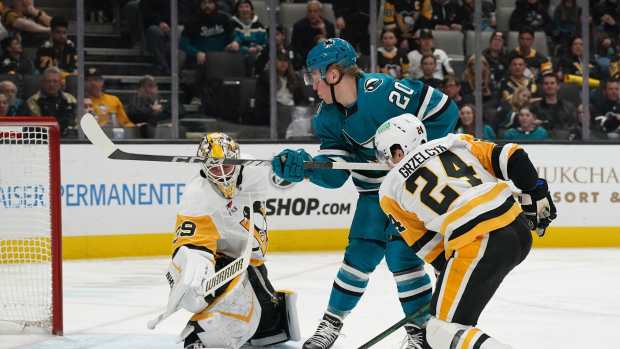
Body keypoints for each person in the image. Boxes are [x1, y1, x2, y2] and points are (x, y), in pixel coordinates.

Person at [271, 38, 459, 349]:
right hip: (373, 195)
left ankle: (420, 333)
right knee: (358, 256)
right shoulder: (327, 118)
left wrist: (415, 158)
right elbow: (336, 177)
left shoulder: (383, 92)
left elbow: (444, 111)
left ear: (333, 75)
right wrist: (306, 168)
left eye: (315, 76)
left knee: (403, 258)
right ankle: (330, 323)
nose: (312, 85)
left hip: (408, 194)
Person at [375, 113, 556, 349]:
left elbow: (431, 248)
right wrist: (535, 189)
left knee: (440, 331)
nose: (386, 162)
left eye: (386, 155)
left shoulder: (389, 191)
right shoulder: (453, 142)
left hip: (478, 242)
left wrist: (445, 274)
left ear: (399, 150)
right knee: (457, 327)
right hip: (517, 227)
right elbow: (513, 156)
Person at [166, 133, 300, 349]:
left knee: (270, 326)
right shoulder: (197, 195)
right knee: (236, 301)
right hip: (224, 261)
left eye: (226, 167)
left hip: (252, 260)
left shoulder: (256, 170)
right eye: (214, 169)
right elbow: (190, 242)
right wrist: (198, 264)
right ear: (204, 168)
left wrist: (296, 164)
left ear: (237, 160)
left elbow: (289, 175)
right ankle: (198, 339)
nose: (221, 174)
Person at [26, 67, 77, 137]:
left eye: (55, 81)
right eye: (48, 81)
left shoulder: (70, 99)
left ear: (60, 83)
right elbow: (40, 126)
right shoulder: (33, 100)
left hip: (68, 139)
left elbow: (75, 122)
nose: (51, 85)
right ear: (42, 83)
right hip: (44, 139)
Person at [530, 74, 577, 139]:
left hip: (563, 142)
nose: (549, 86)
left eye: (552, 83)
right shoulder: (534, 107)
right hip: (540, 142)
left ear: (558, 86)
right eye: (546, 83)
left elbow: (573, 127)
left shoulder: (569, 107)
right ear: (542, 87)